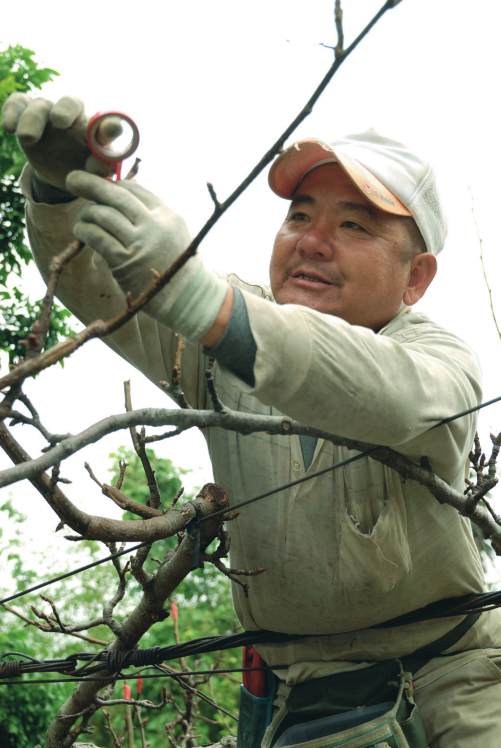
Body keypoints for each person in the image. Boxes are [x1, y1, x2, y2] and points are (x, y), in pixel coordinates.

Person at [2, 94, 501, 747]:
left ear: (416, 278)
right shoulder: (227, 337)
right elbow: (105, 285)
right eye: (300, 215)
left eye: (354, 225)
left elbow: (387, 392)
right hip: (301, 705)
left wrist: (205, 303)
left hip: (454, 693)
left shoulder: (438, 359)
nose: (312, 241)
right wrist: (59, 190)